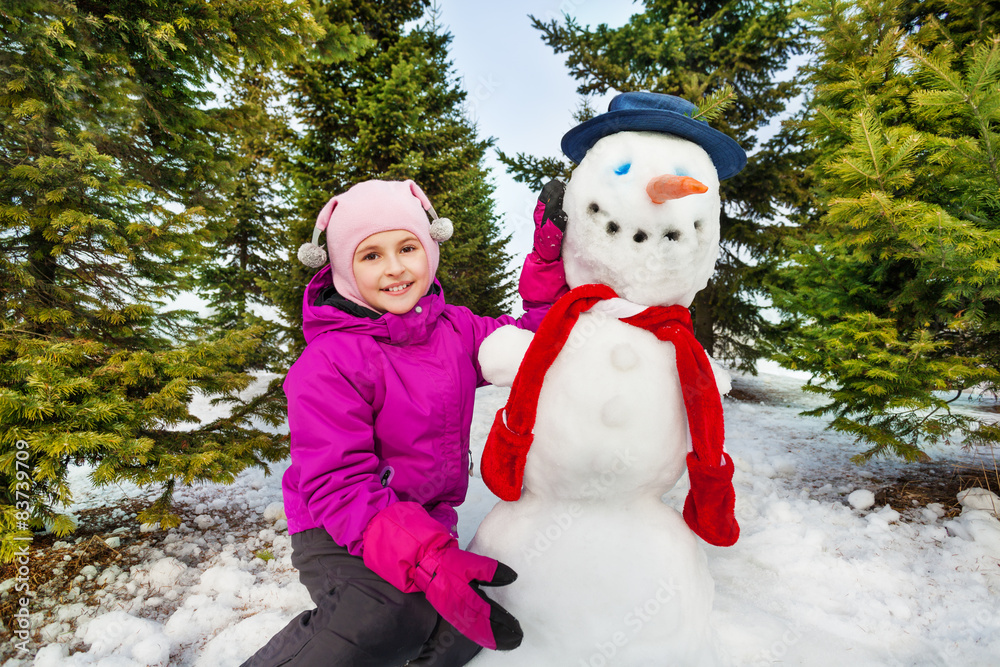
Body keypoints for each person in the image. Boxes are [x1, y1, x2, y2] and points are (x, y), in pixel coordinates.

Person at [241, 178, 567, 667]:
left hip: (425, 526)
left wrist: (546, 265)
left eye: (408, 247)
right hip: (340, 527)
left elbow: (530, 343)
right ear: (342, 268)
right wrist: (429, 559)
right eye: (370, 255)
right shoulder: (329, 360)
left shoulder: (456, 330)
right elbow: (338, 484)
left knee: (461, 630)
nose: (394, 268)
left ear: (430, 247)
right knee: (385, 619)